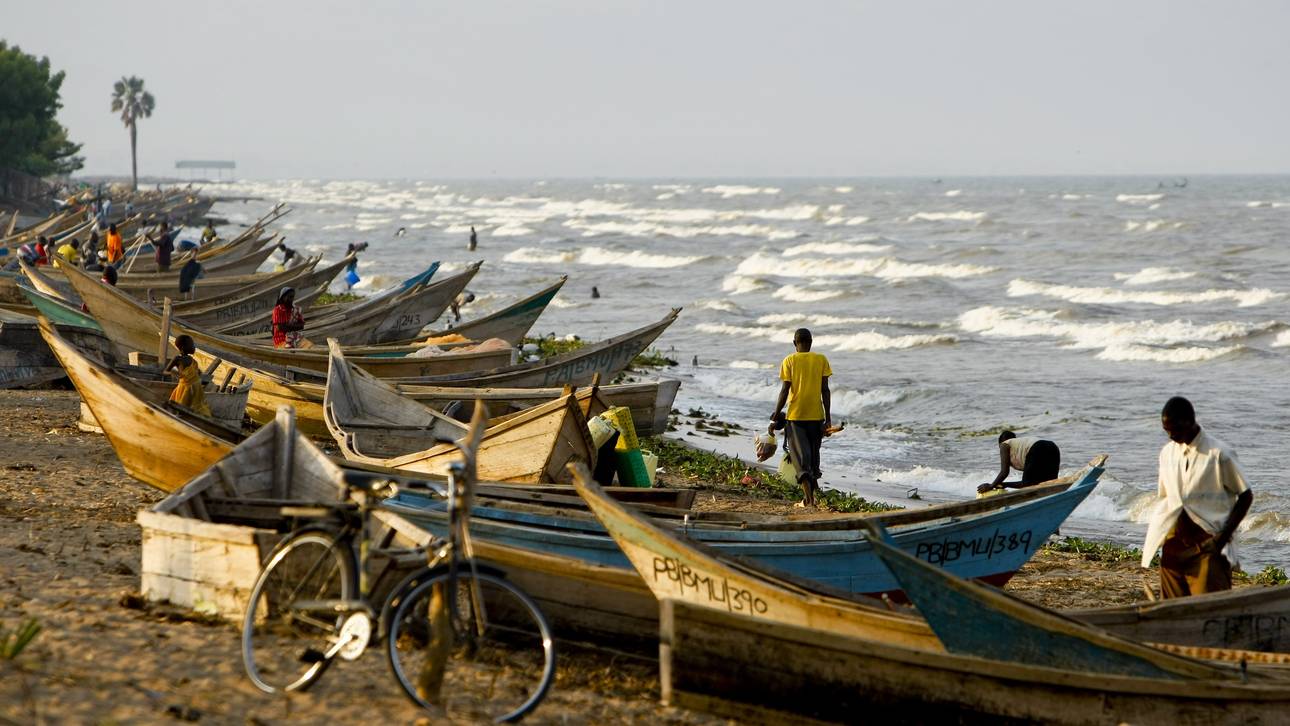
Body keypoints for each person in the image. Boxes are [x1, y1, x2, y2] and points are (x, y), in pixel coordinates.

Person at [1141, 396, 1254, 599]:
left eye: (1175, 429)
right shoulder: (1167, 453)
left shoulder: (1219, 454)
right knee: (1172, 610)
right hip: (1174, 543)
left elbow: (1245, 495)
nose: (1171, 436)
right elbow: (1166, 499)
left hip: (1208, 543)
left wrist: (1221, 539)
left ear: (1189, 421)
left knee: (1210, 607)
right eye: (1167, 431)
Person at [771, 328, 832, 507]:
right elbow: (825, 391)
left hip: (796, 417)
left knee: (800, 459)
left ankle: (808, 499)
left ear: (794, 343)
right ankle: (814, 495)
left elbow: (784, 390)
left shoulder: (789, 360)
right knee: (813, 456)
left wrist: (776, 414)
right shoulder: (821, 359)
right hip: (816, 416)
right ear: (811, 342)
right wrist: (828, 419)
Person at [977, 431, 1062, 494]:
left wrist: (991, 486)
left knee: (1028, 484)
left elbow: (1004, 472)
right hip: (1053, 447)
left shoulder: (1004, 445)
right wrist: (1002, 484)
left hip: (1038, 448)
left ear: (1000, 444)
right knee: (1051, 483)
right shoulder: (1021, 445)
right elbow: (1032, 480)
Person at [165, 334, 212, 417]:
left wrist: (198, 374)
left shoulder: (192, 360)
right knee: (183, 408)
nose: (194, 347)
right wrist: (178, 374)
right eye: (192, 345)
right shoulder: (177, 359)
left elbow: (197, 372)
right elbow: (166, 371)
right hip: (185, 388)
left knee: (198, 408)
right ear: (183, 347)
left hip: (196, 388)